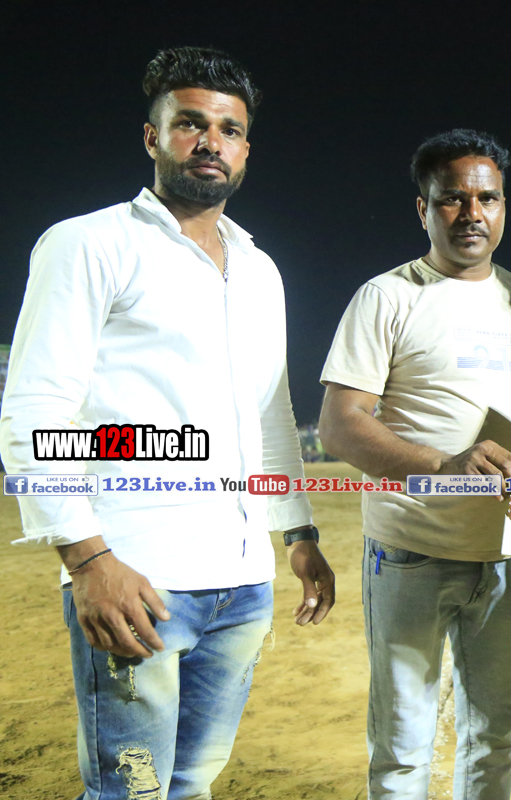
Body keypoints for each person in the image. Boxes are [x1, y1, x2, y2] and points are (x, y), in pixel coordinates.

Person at [0, 47, 335, 800]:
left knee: (192, 783)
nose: (210, 142)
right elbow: (35, 410)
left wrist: (299, 533)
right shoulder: (89, 244)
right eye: (190, 124)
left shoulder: (260, 269)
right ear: (153, 137)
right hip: (137, 577)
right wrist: (89, 562)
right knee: (131, 792)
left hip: (242, 585)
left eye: (229, 129)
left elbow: (270, 414)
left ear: (245, 150)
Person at [317, 129, 511, 799]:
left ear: (504, 207)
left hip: (507, 559)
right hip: (410, 554)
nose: (471, 213)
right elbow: (339, 424)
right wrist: (445, 465)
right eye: (452, 198)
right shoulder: (387, 296)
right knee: (402, 750)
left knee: (496, 739)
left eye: (487, 198)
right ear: (423, 209)